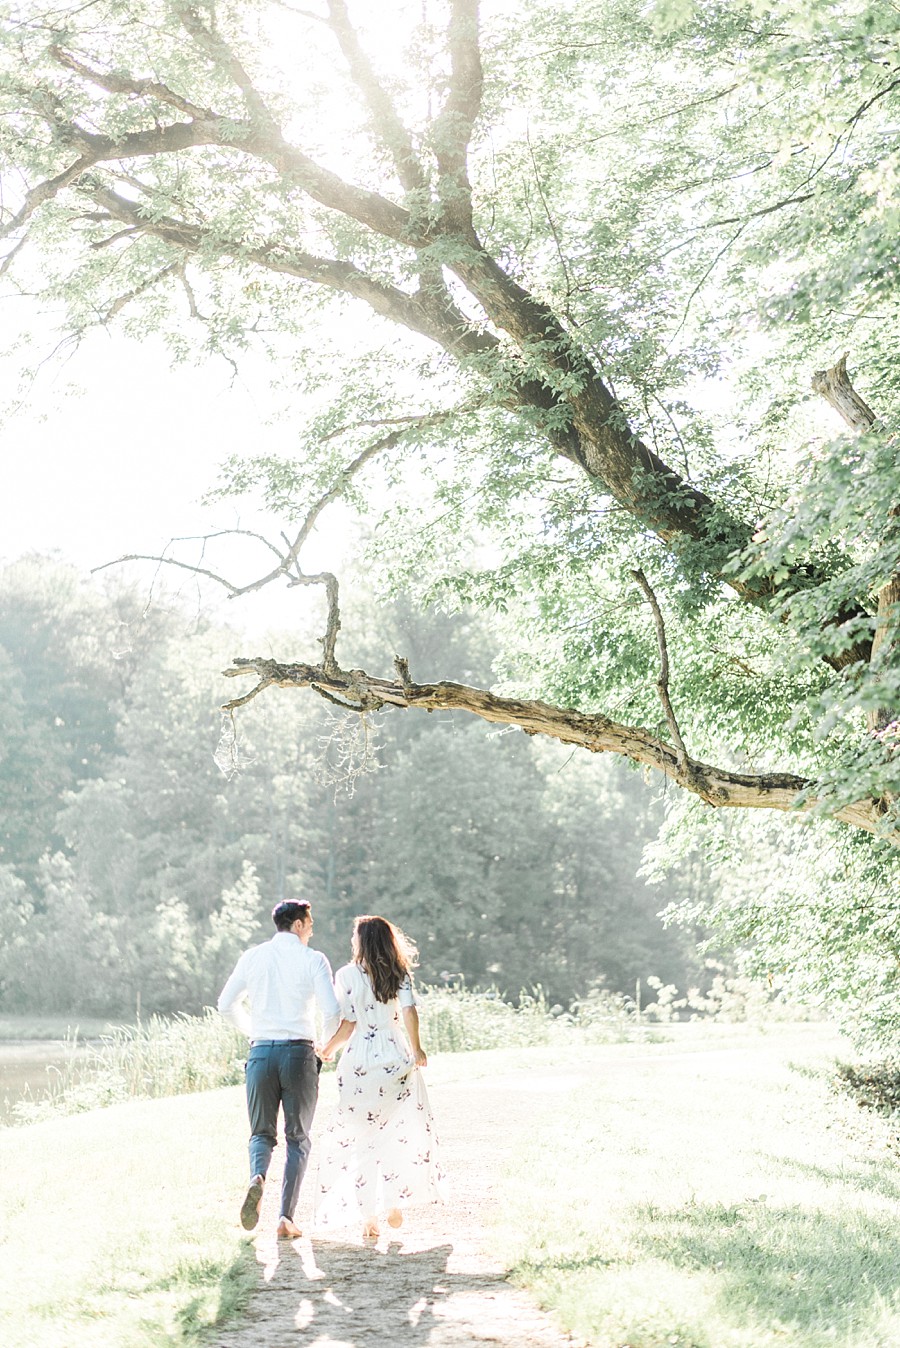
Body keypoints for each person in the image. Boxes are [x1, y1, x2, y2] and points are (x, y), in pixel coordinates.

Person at [316, 914, 445, 1239]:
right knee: (395, 1132)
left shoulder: (346, 975)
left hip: (360, 1060)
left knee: (363, 1138)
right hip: (394, 1055)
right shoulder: (397, 972)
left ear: (362, 941)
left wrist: (328, 1048)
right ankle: (392, 1201)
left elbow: (348, 1023)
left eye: (354, 936)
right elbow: (410, 1010)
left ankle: (368, 1215)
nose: (351, 941)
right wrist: (416, 1049)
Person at [218, 899, 340, 1239]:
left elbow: (225, 1004)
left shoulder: (252, 956)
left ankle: (257, 1176)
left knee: (261, 1134)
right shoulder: (313, 959)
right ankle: (286, 1218)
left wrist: (255, 1030)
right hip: (299, 1054)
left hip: (260, 1053)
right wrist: (325, 1045)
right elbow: (331, 1010)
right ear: (298, 924)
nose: (312, 929)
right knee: (297, 1138)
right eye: (310, 922)